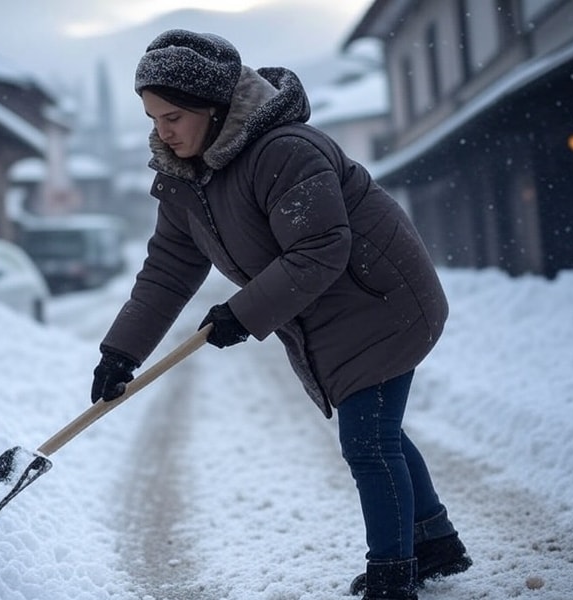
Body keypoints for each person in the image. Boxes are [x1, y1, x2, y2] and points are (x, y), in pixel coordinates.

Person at [90, 29, 472, 600]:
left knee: (368, 441)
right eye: (152, 117)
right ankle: (434, 540)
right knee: (377, 430)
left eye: (172, 117)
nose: (160, 131)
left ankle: (395, 576)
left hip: (380, 302)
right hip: (329, 309)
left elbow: (320, 250)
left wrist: (240, 314)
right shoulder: (186, 178)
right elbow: (169, 270)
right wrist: (121, 351)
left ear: (214, 110)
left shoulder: (284, 150)